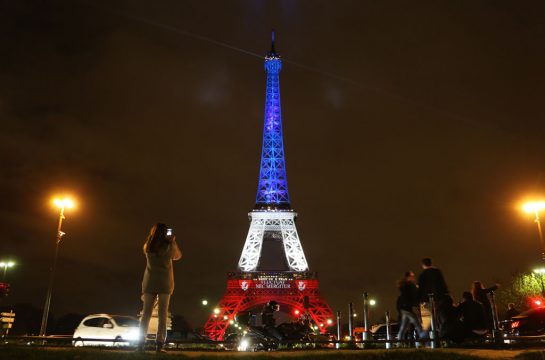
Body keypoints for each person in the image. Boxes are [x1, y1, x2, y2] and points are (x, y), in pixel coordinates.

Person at [138, 223, 182, 353]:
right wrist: (172, 242)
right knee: (163, 315)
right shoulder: (168, 247)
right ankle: (159, 344)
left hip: (149, 281)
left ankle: (140, 344)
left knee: (146, 314)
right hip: (164, 283)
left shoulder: (147, 246)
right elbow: (178, 256)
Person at [417, 258, 449, 332]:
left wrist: (418, 301)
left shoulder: (422, 275)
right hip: (438, 299)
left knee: (427, 322)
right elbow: (443, 285)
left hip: (426, 300)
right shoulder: (437, 272)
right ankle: (438, 336)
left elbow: (420, 289)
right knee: (438, 319)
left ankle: (427, 338)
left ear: (423, 265)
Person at [396, 271, 426, 341]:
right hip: (407, 307)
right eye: (412, 276)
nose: (413, 277)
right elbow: (414, 296)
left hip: (404, 307)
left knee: (403, 327)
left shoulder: (404, 285)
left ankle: (399, 342)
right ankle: (425, 340)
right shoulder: (409, 285)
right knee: (417, 324)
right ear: (409, 276)